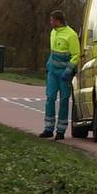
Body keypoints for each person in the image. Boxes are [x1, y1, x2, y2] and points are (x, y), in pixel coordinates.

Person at [41, 10, 80, 140]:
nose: (50, 22)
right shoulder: (53, 33)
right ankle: (48, 128)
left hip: (64, 73)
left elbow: (75, 55)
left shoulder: (71, 35)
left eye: (52, 20)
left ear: (58, 21)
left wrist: (69, 71)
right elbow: (53, 52)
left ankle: (61, 131)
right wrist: (48, 66)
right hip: (53, 72)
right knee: (50, 98)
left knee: (64, 100)